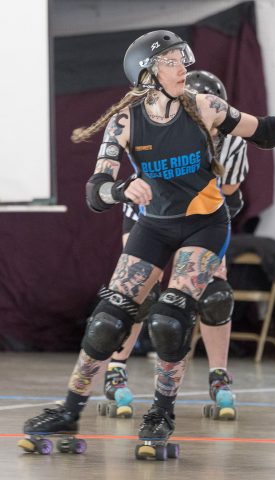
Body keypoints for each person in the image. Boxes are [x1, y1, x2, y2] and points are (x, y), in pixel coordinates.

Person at [21, 30, 275, 458]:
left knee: (169, 319)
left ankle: (161, 414)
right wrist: (120, 190)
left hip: (205, 225)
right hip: (154, 225)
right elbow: (95, 190)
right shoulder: (125, 121)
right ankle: (69, 410)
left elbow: (265, 130)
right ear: (147, 74)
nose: (183, 68)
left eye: (183, 59)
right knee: (107, 319)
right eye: (172, 62)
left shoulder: (205, 106)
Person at [98, 69, 249, 421]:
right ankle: (116, 367)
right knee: (140, 291)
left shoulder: (232, 142)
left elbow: (228, 195)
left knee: (215, 294)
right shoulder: (156, 128)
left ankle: (219, 375)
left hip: (203, 215)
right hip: (151, 211)